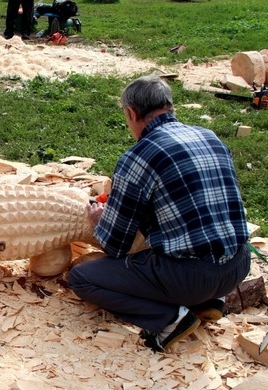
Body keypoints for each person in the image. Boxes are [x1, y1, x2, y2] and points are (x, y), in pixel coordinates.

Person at [68, 75, 251, 353]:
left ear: (131, 113)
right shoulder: (209, 136)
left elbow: (116, 245)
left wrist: (99, 221)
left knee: (82, 277)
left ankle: (169, 320)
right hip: (237, 265)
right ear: (169, 106)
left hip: (190, 278)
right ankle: (210, 302)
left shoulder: (138, 157)